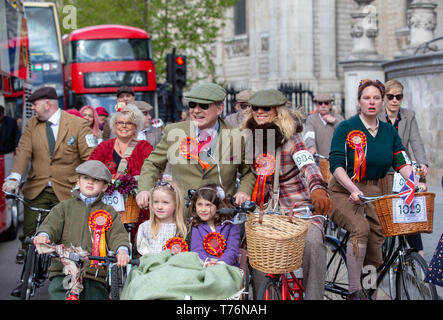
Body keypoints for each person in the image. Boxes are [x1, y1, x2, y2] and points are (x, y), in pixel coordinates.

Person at [328, 79, 427, 300]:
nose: (371, 102)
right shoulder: (346, 127)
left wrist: (414, 180)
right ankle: (355, 292)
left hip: (373, 189)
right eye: (366, 98)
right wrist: (353, 189)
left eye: (376, 98)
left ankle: (369, 289)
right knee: (360, 228)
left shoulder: (389, 132)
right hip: (344, 190)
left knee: (376, 244)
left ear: (382, 102)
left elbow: (400, 159)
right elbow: (335, 165)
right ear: (359, 101)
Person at [243, 88, 333, 300]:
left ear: (277, 111)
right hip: (266, 210)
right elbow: (244, 173)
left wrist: (318, 189)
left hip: (298, 207)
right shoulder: (250, 139)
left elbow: (307, 164)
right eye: (255, 108)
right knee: (257, 255)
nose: (259, 112)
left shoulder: (292, 137)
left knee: (312, 243)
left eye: (266, 108)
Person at [2, 87, 95, 263]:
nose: (33, 109)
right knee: (30, 233)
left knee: (67, 233)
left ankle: (63, 272)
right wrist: (14, 177)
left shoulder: (77, 124)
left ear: (48, 104)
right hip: (38, 188)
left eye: (35, 105)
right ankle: (27, 275)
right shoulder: (31, 124)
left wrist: (86, 185)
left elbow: (89, 157)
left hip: (68, 189)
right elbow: (23, 152)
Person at [136, 82, 256, 217]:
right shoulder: (174, 131)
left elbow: (248, 171)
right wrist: (145, 189)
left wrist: (244, 191)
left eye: (204, 106)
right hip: (183, 216)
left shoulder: (236, 135)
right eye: (192, 105)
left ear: (219, 108)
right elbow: (153, 163)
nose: (196, 110)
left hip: (221, 216)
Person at [31, 160, 130, 300]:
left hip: (94, 273)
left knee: (96, 295)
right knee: (59, 294)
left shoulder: (109, 211)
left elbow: (118, 235)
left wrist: (122, 251)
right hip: (64, 270)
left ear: (104, 187)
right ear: (78, 182)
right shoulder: (64, 207)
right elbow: (51, 225)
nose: (90, 182)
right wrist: (44, 235)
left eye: (96, 180)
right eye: (85, 178)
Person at [378, 79, 429, 257]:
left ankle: (418, 255)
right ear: (384, 98)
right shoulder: (376, 116)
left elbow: (416, 141)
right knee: (382, 214)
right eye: (390, 96)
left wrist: (423, 163)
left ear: (402, 98)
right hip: (382, 172)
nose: (394, 100)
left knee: (410, 211)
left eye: (398, 97)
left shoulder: (409, 115)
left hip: (403, 169)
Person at [89, 104, 154, 240]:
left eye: (129, 123)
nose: (124, 126)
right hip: (106, 207)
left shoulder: (144, 147)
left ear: (136, 126)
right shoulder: (104, 147)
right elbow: (91, 168)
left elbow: (151, 172)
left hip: (135, 209)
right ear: (114, 125)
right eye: (120, 122)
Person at [189, 184, 240, 267]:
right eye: (199, 204)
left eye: (208, 205)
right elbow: (197, 249)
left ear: (218, 206)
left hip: (226, 266)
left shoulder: (231, 224)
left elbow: (232, 250)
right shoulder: (196, 225)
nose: (203, 209)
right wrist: (207, 263)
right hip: (204, 265)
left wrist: (220, 263)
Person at [135, 180, 187, 257]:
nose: (159, 207)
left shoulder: (183, 229)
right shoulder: (145, 227)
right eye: (156, 202)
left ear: (176, 204)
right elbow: (139, 255)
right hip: (150, 267)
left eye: (165, 202)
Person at [304, 93, 344, 158]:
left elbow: (345, 132)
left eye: (326, 103)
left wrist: (334, 121)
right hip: (319, 158)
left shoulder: (339, 118)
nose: (323, 106)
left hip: (336, 158)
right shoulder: (311, 119)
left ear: (330, 105)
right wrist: (311, 147)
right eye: (320, 103)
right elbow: (309, 135)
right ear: (316, 105)